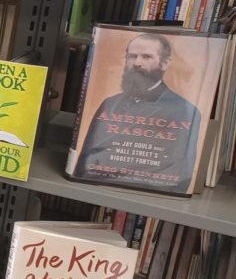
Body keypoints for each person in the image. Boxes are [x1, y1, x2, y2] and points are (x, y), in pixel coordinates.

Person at [72, 32, 201, 193]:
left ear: (164, 63)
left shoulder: (185, 111)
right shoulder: (110, 104)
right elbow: (85, 167)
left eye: (146, 57)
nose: (137, 63)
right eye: (132, 56)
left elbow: (175, 179)